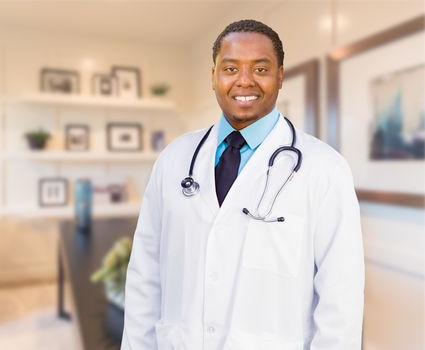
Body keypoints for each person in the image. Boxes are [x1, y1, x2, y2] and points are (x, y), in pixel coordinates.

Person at [121, 19, 364, 350]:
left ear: (280, 76)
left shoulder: (325, 168)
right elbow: (145, 274)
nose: (244, 81)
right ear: (213, 76)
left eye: (260, 69)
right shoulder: (174, 159)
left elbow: (341, 296)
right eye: (230, 68)